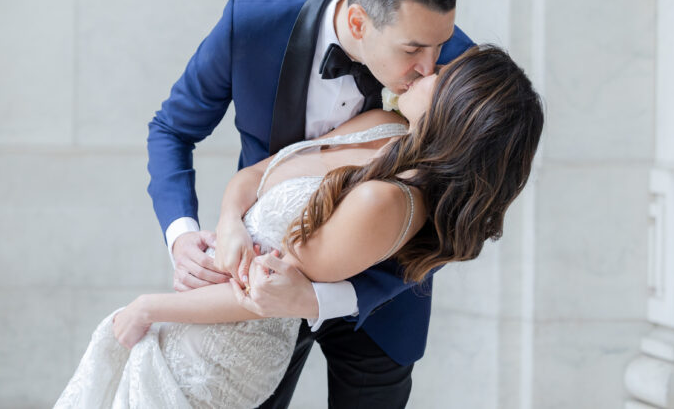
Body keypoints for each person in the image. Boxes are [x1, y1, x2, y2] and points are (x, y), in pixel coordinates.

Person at [55, 45, 545, 408]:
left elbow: (263, 294)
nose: (429, 66)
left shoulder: (387, 201)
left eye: (443, 74)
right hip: (189, 321)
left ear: (459, 109)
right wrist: (229, 223)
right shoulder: (381, 123)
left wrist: (149, 307)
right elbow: (254, 175)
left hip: (226, 351)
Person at [149, 0, 471, 407]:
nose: (429, 68)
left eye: (439, 45)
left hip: (381, 297)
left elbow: (460, 203)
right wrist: (182, 235)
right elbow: (172, 130)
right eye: (413, 50)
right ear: (359, 22)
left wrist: (327, 298)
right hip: (251, 285)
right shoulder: (252, 24)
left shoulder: (455, 64)